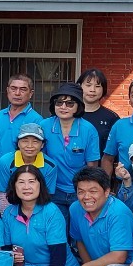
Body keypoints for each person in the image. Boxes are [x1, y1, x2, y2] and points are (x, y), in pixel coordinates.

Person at [0, 166, 74, 266]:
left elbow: (58, 255)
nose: (26, 187)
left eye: (32, 182)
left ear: (40, 185)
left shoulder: (51, 212)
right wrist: (11, 255)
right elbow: (6, 248)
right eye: (21, 182)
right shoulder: (9, 213)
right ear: (14, 186)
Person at [39, 83, 101, 218]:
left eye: (69, 103)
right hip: (52, 190)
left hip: (79, 191)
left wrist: (86, 192)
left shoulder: (88, 130)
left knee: (79, 228)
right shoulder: (44, 126)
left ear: (78, 106)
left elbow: (92, 166)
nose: (63, 107)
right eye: (59, 102)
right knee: (57, 228)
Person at [0, 124, 59, 212]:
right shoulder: (5, 161)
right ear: (18, 143)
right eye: (25, 141)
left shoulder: (50, 166)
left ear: (42, 144)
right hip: (12, 205)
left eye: (35, 141)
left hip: (38, 207)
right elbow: (3, 194)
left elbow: (46, 196)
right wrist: (7, 216)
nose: (30, 146)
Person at [0, 74, 43, 151]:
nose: (17, 93)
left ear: (31, 93)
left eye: (23, 89)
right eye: (13, 88)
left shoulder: (36, 119)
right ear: (7, 90)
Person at [77, 69, 118, 156]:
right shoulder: (70, 114)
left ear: (103, 89)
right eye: (88, 85)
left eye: (97, 86)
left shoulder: (112, 118)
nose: (92, 90)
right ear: (80, 86)